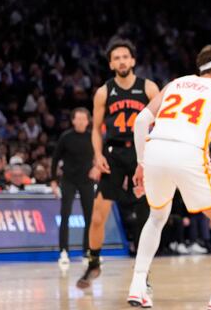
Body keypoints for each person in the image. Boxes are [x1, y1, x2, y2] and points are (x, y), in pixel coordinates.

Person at [129, 44, 211, 309]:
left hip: (154, 148)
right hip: (188, 152)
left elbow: (141, 121)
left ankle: (137, 287)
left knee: (156, 217)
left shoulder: (175, 84)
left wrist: (141, 163)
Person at [77, 38, 160, 289]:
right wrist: (98, 155)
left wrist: (148, 157)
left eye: (126, 56)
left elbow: (161, 123)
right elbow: (95, 129)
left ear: (133, 60)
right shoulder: (104, 91)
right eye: (117, 58)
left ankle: (142, 271)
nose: (122, 61)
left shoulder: (149, 88)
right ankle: (93, 263)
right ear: (111, 64)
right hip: (113, 155)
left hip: (142, 154)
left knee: (146, 216)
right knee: (98, 215)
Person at [50, 107, 95, 267]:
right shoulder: (66, 137)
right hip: (68, 180)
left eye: (84, 119)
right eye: (79, 119)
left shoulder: (92, 137)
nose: (82, 121)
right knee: (65, 214)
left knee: (90, 216)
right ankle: (64, 251)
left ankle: (87, 251)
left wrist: (97, 169)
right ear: (73, 120)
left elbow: (100, 156)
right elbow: (55, 159)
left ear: (88, 121)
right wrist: (54, 181)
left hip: (87, 180)